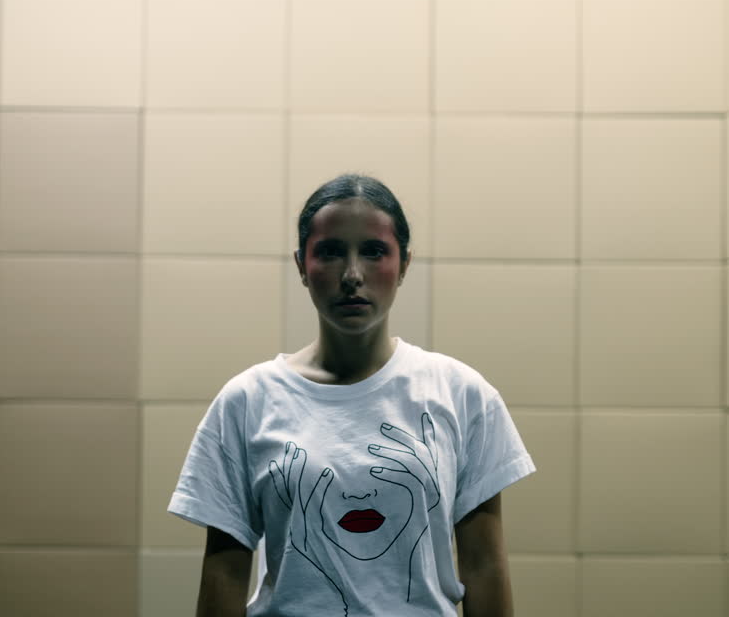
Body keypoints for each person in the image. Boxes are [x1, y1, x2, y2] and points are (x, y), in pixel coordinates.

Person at [168, 173, 535, 617]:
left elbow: (483, 565)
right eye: (330, 252)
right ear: (301, 265)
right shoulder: (247, 401)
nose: (352, 275)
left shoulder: (461, 394)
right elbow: (225, 573)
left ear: (404, 264)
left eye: (374, 251)